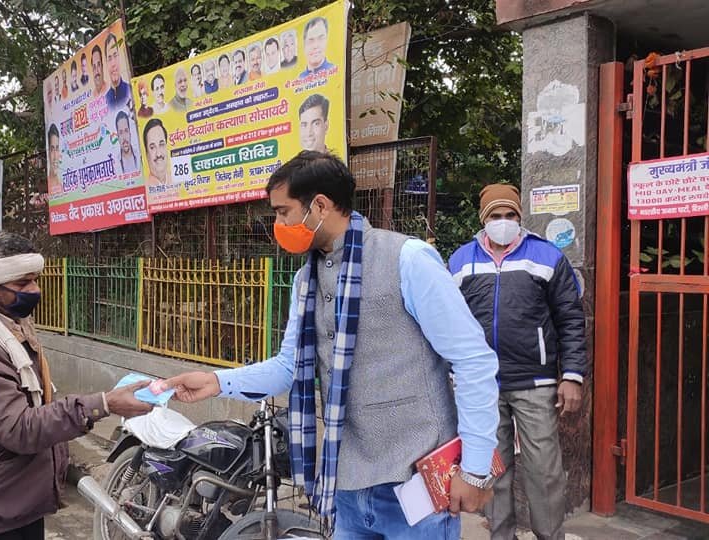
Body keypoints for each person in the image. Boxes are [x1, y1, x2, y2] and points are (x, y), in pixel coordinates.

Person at [163, 151, 499, 539]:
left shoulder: (407, 259)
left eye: (284, 211)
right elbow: (289, 366)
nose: (278, 224)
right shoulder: (307, 283)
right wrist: (215, 381)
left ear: (319, 205)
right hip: (348, 484)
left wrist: (474, 470)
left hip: (417, 485)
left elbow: (473, 362)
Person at [0, 232, 152, 540]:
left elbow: (41, 406)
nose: (35, 290)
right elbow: (20, 428)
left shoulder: (14, 332)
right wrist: (103, 404)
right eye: (23, 284)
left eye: (35, 280)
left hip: (16, 504)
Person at [449, 184, 586, 540]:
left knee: (544, 471)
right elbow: (446, 321)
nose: (504, 222)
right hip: (482, 387)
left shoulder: (546, 257)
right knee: (493, 470)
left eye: (510, 215)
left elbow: (570, 318)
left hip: (535, 383)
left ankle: (549, 536)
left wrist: (572, 376)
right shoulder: (461, 261)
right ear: (483, 220)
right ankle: (500, 536)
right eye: (496, 216)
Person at [105, 33, 131, 107]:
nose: (113, 64)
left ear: (119, 57)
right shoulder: (104, 101)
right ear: (106, 63)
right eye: (109, 58)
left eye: (115, 55)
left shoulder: (130, 90)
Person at [143, 118, 170, 186]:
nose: (158, 154)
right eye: (152, 147)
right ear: (147, 154)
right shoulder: (146, 188)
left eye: (161, 144)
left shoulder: (177, 183)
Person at [46, 124, 62, 194]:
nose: (55, 157)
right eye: (52, 149)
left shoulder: (62, 186)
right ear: (48, 153)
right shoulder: (47, 187)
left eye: (57, 149)